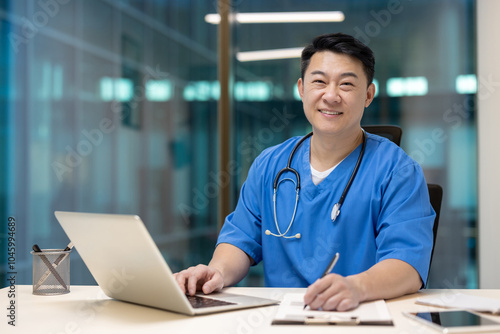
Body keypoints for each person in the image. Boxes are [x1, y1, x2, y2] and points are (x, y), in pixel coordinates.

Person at [174, 32, 435, 312]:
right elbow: (240, 239)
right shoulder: (270, 165)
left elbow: (408, 265)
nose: (331, 96)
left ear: (368, 95)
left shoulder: (397, 171)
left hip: (362, 317)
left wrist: (357, 288)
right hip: (282, 319)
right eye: (319, 82)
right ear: (301, 88)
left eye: (346, 84)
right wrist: (217, 273)